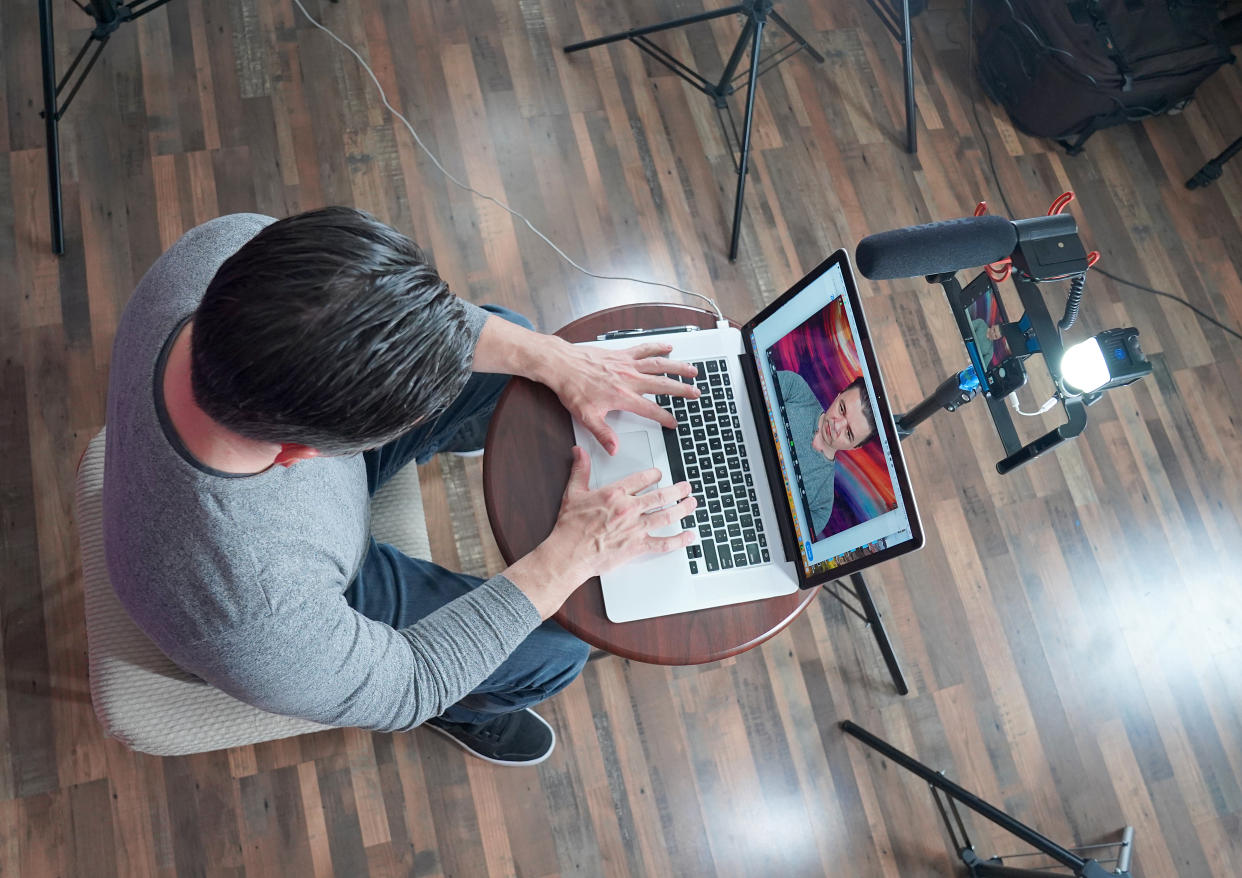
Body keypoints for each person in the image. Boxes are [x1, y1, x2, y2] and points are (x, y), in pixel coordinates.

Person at [103, 207, 701, 766]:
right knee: (554, 653)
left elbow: (403, 314)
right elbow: (411, 684)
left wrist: (550, 357)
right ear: (309, 454)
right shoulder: (253, 612)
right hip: (315, 583)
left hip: (279, 479)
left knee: (514, 341)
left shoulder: (224, 248)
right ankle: (468, 714)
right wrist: (569, 558)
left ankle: (472, 412)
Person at [775, 370, 877, 537]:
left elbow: (784, 538)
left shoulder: (821, 505)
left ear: (855, 447)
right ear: (839, 395)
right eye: (842, 408)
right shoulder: (794, 388)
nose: (837, 427)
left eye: (849, 433)